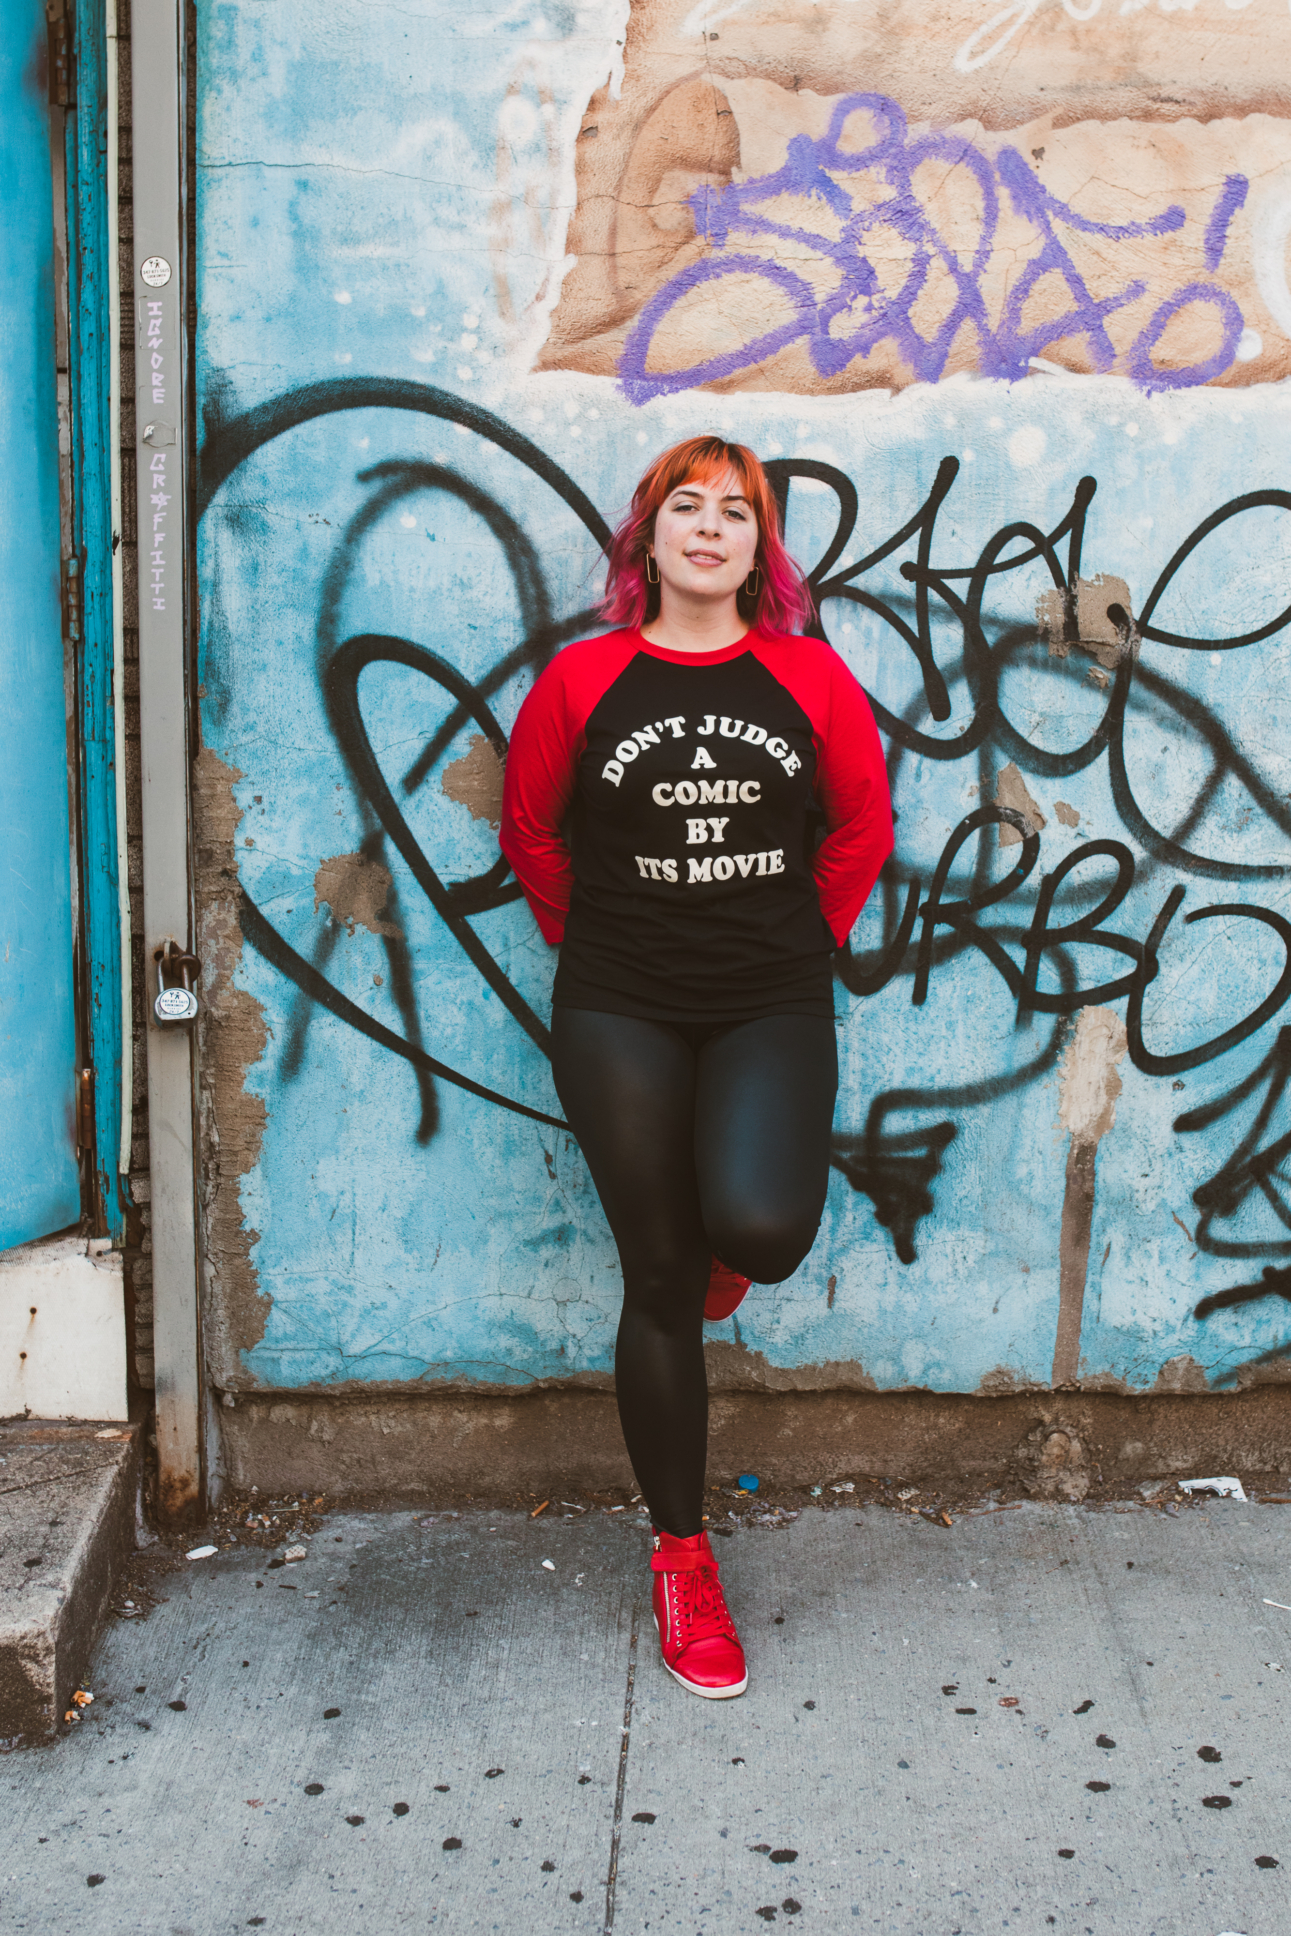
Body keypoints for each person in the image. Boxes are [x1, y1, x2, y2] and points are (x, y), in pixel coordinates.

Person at [500, 435, 892, 1698]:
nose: (711, 528)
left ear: (759, 549)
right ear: (648, 537)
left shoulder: (809, 677)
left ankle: (734, 1247)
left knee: (761, 1229)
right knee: (657, 1274)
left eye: (737, 512)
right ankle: (682, 1552)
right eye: (688, 506)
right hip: (618, 1003)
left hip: (767, 996)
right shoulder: (583, 678)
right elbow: (532, 832)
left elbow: (861, 827)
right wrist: (599, 938)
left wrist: (800, 937)